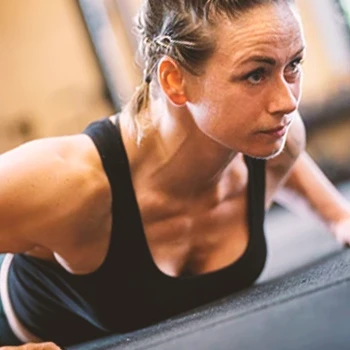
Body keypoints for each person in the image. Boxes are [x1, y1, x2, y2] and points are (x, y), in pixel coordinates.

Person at [1, 0, 350, 349]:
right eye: (256, 74)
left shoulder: (277, 139)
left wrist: (339, 216)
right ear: (174, 80)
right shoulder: (67, 182)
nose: (287, 102)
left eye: (294, 65)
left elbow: (288, 159)